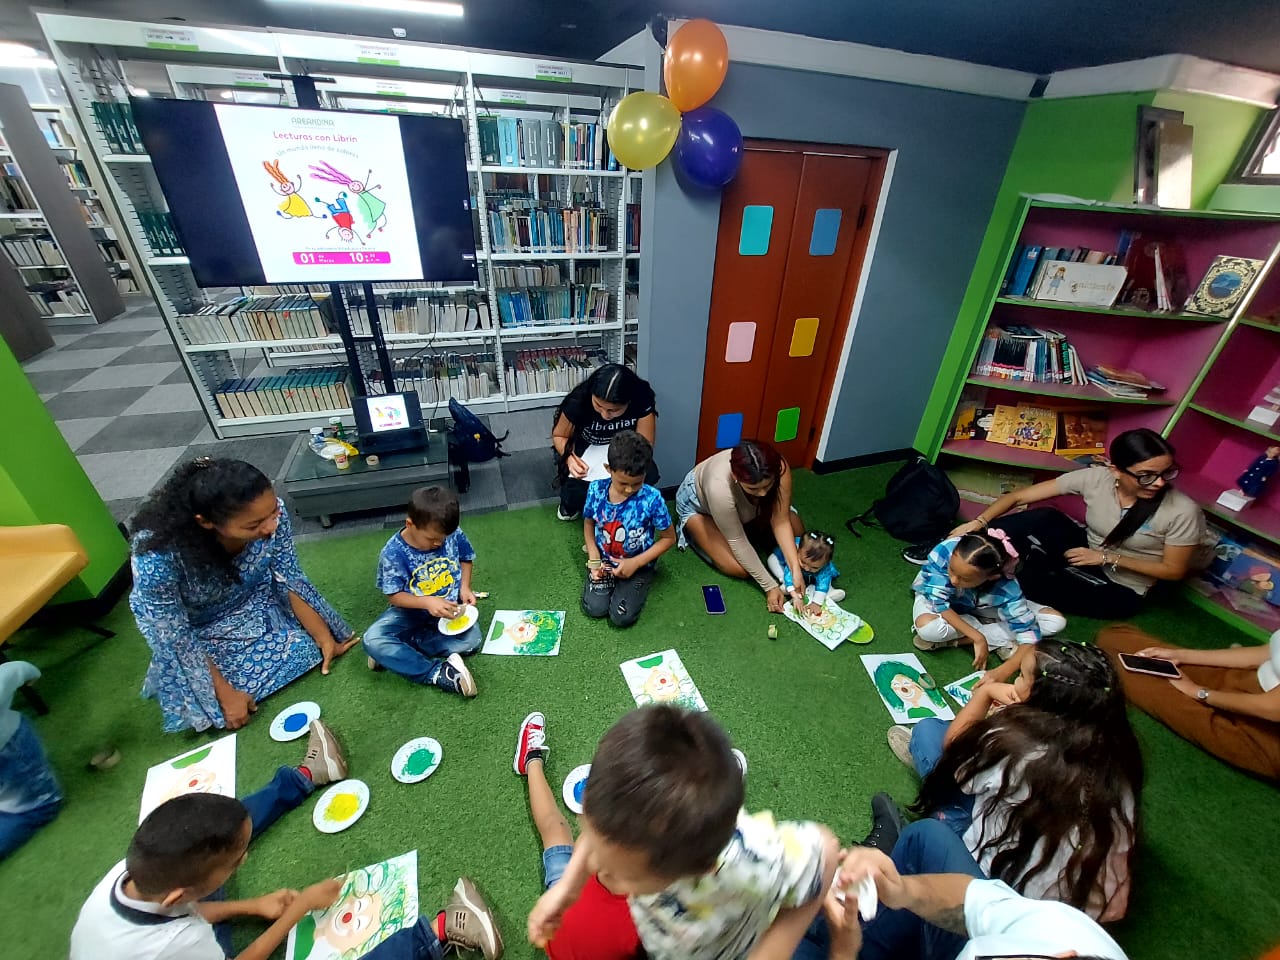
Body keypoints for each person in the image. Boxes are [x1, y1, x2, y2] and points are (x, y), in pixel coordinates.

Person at [69, 719, 503, 960]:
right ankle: (437, 933)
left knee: (213, 831)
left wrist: (249, 905)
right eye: (236, 863)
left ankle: (307, 775)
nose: (241, 862)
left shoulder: (137, 873)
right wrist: (294, 909)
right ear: (177, 894)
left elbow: (185, 905)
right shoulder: (175, 946)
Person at [527, 705, 839, 960]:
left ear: (700, 869)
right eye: (591, 837)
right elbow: (599, 839)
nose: (598, 872)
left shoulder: (751, 864)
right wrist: (568, 886)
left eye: (625, 877)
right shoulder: (629, 846)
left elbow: (825, 849)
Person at [887, 641, 1141, 922]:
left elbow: (952, 747)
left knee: (927, 733)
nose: (1015, 681)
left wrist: (984, 695)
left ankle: (944, 820)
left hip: (1000, 900)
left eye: (1020, 677)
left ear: (1039, 697)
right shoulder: (1122, 754)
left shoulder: (1013, 745)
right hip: (1082, 916)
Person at [130, 458, 359, 733]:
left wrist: (324, 638)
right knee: (211, 706)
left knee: (306, 651)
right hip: (194, 625)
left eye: (273, 513)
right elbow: (175, 635)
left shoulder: (274, 516)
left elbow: (289, 577)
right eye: (253, 526)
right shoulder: (156, 557)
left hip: (250, 597)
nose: (271, 527)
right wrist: (226, 697)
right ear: (206, 522)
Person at [948, 428, 1204, 619]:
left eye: (1166, 473)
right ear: (1115, 470)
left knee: (1031, 579)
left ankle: (991, 591)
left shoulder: (1182, 511)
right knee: (1044, 516)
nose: (1159, 483)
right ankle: (957, 556)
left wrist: (1105, 558)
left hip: (1121, 585)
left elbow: (1173, 570)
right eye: (1146, 476)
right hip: (1084, 552)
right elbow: (1019, 496)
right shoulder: (1097, 478)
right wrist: (978, 522)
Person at [790, 835, 1128, 960]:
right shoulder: (1061, 931)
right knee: (928, 837)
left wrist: (843, 951)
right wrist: (902, 891)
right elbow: (971, 900)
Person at [513, 712, 645, 960]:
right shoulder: (649, 921)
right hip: (573, 922)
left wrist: (567, 887)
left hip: (564, 922)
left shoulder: (601, 847)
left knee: (555, 828)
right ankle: (531, 760)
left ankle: (531, 761)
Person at [1097, 622, 1280, 780]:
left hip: (1266, 731)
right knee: (1114, 636)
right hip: (1249, 679)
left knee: (1114, 670)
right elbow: (1267, 652)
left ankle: (1213, 713)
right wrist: (1181, 655)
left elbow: (1272, 708)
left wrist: (1200, 693)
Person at [365, 486, 481, 698]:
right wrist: (427, 602)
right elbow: (393, 595)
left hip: (448, 610)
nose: (439, 543)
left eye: (444, 538)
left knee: (471, 640)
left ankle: (395, 653)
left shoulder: (450, 534)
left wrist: (465, 587)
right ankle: (436, 672)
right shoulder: (393, 552)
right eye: (432, 539)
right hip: (410, 610)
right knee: (372, 639)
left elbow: (466, 557)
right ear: (410, 524)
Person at [676, 440, 807, 613]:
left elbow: (781, 520)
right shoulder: (719, 487)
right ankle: (697, 531)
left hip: (748, 509)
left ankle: (748, 524)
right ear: (736, 478)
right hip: (701, 508)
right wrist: (770, 586)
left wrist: (795, 570)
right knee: (739, 568)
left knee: (799, 536)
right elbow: (737, 540)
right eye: (754, 488)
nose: (763, 493)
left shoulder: (778, 466)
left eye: (768, 485)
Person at [912, 530, 1066, 676]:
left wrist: (1002, 673)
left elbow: (1029, 635)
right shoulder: (946, 550)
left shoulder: (1007, 588)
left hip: (984, 606)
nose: (953, 580)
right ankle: (994, 635)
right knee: (928, 629)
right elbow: (938, 602)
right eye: (951, 570)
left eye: (965, 579)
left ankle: (961, 638)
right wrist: (977, 637)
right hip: (939, 600)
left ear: (991, 577)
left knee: (1055, 622)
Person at [582, 430, 675, 628]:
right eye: (623, 483)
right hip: (604, 560)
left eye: (637, 483)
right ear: (608, 469)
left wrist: (636, 563)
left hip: (639, 564)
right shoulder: (596, 490)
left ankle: (642, 578)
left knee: (620, 617)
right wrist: (594, 558)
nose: (629, 490)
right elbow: (589, 523)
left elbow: (669, 538)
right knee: (595, 608)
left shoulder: (652, 499)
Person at [552, 363, 658, 521]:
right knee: (576, 493)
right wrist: (569, 458)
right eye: (598, 406)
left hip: (624, 448)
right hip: (585, 448)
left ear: (628, 402)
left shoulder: (641, 398)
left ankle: (623, 503)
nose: (604, 415)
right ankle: (571, 504)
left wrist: (625, 468)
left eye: (613, 410)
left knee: (646, 474)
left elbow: (645, 443)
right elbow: (560, 436)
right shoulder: (578, 399)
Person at [0, 661, 61, 860]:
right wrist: (31, 673)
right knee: (38, 804)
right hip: (10, 751)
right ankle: (40, 804)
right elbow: (16, 670)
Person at [767, 529, 846, 616]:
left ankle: (830, 592)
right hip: (781, 558)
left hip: (820, 572)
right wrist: (796, 596)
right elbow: (789, 573)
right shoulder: (794, 556)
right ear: (797, 551)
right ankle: (784, 582)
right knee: (772, 560)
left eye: (814, 567)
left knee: (826, 577)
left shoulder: (824, 567)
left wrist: (816, 603)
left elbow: (824, 581)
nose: (807, 568)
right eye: (803, 562)